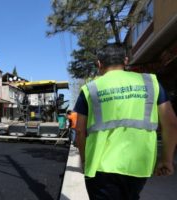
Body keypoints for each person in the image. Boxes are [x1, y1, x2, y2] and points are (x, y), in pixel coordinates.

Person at [74, 43, 177, 200]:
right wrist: (167, 159)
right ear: (126, 61)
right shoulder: (151, 83)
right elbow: (171, 123)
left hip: (100, 166)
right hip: (138, 165)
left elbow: (80, 130)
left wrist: (84, 160)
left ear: (99, 64)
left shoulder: (91, 89)